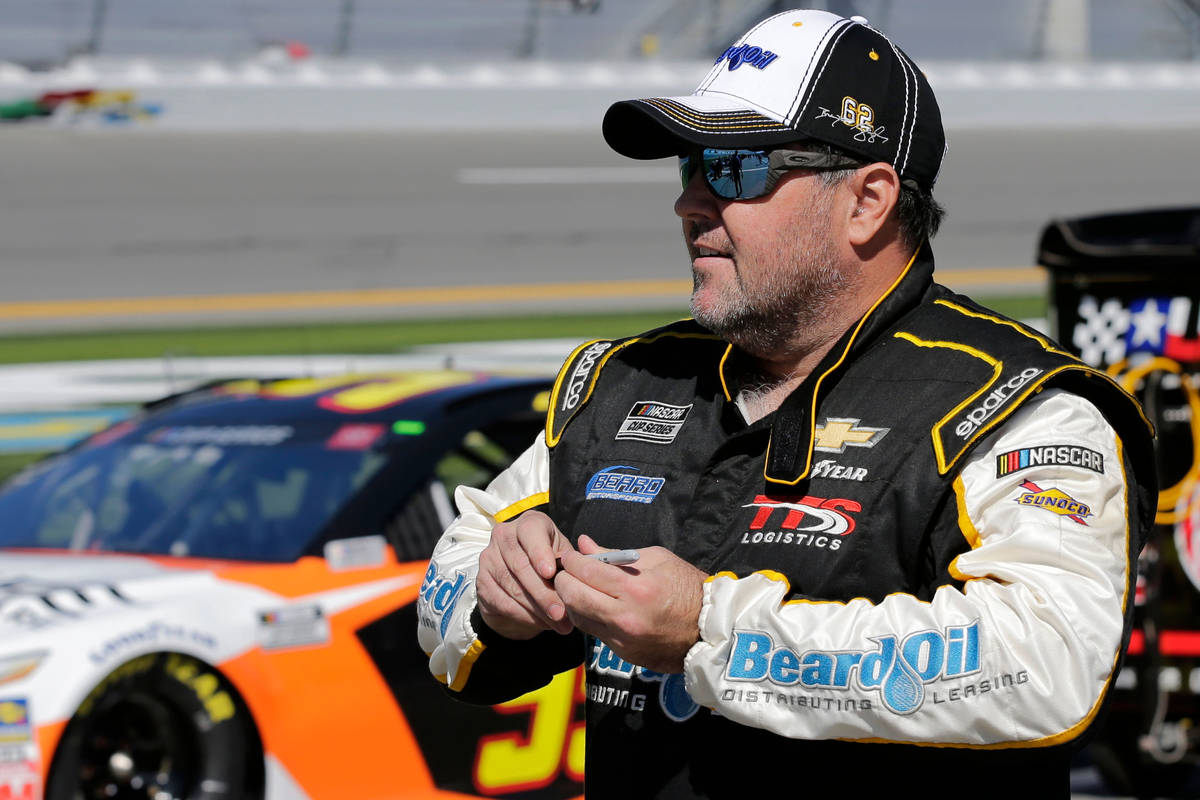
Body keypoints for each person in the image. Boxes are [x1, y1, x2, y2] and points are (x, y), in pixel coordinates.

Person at [417, 9, 1157, 797]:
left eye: (735, 169)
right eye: (690, 165)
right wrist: (499, 589)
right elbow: (451, 579)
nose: (691, 202)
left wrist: (711, 630)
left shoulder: (1017, 404)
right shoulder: (624, 382)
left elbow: (1049, 660)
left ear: (867, 201)